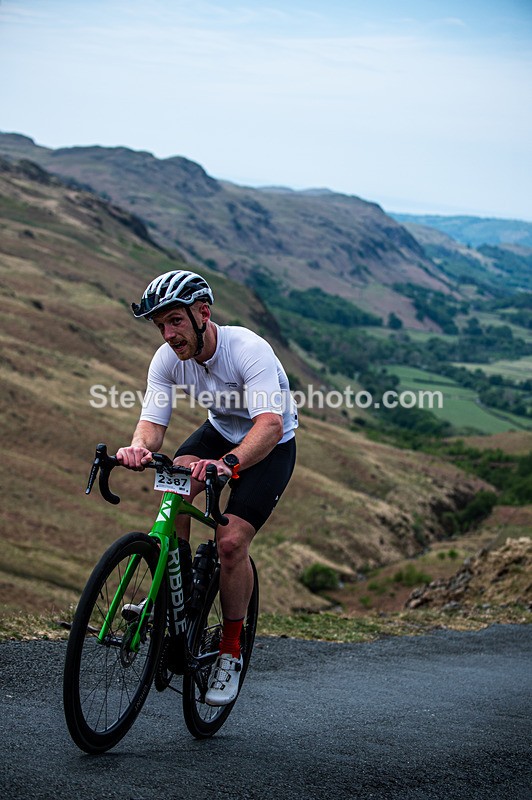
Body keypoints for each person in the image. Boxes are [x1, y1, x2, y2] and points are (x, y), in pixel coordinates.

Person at [116, 270, 297, 706]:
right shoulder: (166, 359)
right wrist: (138, 448)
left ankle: (231, 651)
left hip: (269, 442)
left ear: (202, 313)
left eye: (175, 320)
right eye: (160, 325)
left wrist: (227, 464)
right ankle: (169, 604)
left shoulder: (247, 349)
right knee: (173, 493)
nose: (168, 333)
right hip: (219, 431)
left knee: (231, 542)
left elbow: (269, 425)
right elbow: (152, 424)